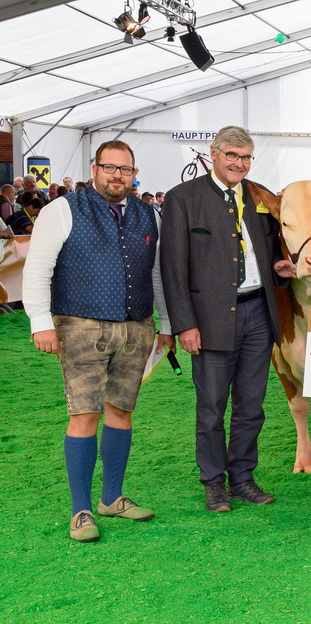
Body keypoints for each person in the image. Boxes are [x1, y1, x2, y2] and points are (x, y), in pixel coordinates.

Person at [22, 140, 175, 542]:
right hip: (80, 325)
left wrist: (167, 322)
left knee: (121, 412)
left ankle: (112, 497)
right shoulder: (62, 209)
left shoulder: (150, 215)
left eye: (125, 169)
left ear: (134, 172)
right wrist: (40, 321)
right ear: (95, 169)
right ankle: (81, 510)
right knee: (84, 415)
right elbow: (37, 268)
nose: (117, 175)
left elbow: (158, 275)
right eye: (109, 167)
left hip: (136, 326)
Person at [161, 125, 292, 512]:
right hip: (209, 318)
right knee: (212, 407)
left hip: (257, 313)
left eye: (246, 157)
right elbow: (173, 268)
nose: (239, 163)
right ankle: (214, 483)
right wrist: (184, 323)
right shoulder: (182, 198)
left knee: (252, 405)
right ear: (214, 154)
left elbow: (268, 252)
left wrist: (279, 269)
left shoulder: (259, 199)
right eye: (232, 156)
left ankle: (243, 478)